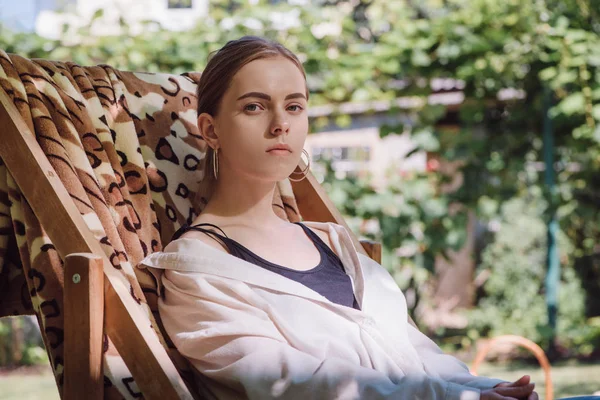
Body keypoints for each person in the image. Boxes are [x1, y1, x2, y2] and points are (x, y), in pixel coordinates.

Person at [141, 36, 539, 400]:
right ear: (210, 130)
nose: (281, 123)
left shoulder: (333, 243)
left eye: (294, 106)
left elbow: (412, 350)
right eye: (255, 106)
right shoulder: (197, 271)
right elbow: (297, 382)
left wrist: (488, 389)